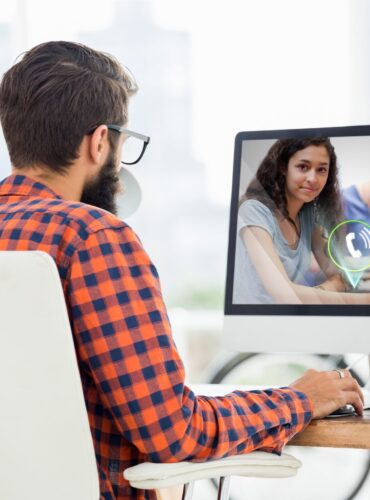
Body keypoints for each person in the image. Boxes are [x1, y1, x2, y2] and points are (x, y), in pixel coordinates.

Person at [0, 42, 364, 500]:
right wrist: (301, 399)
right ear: (99, 142)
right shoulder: (94, 238)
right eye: (122, 144)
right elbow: (174, 434)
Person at [233, 138, 370, 305]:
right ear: (283, 167)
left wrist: (308, 294)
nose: (313, 178)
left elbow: (338, 274)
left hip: (293, 319)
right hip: (252, 322)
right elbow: (284, 295)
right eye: (303, 167)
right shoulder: (254, 211)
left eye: (321, 170)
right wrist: (364, 300)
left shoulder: (308, 214)